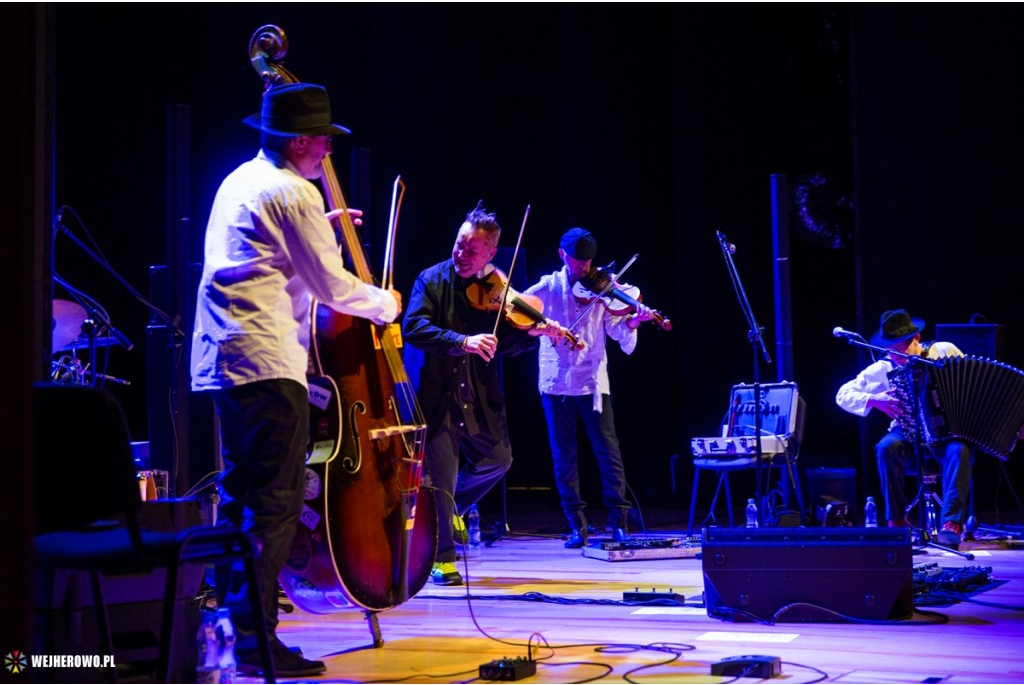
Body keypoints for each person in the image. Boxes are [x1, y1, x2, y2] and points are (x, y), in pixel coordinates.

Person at [191, 82, 402, 677]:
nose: (327, 154)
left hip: (226, 363)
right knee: (275, 506)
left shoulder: (241, 179)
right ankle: (258, 642)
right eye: (325, 143)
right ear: (305, 141)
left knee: (239, 501)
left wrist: (323, 223)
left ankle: (229, 629)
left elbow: (271, 254)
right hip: (268, 364)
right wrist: (385, 303)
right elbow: (334, 289)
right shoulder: (295, 192)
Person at [402, 204, 569, 585]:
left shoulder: (497, 291)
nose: (461, 253)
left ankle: (450, 513)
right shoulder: (430, 280)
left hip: (476, 395)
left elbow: (505, 343)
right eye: (459, 244)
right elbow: (413, 327)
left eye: (471, 250)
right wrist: (462, 340)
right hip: (436, 395)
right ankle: (441, 561)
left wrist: (534, 334)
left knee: (499, 459)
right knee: (441, 477)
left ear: (490, 254)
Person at [524, 228, 657, 548]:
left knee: (608, 451)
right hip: (556, 382)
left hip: (593, 381)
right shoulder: (547, 287)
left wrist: (634, 321)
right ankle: (577, 524)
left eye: (588, 262)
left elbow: (616, 331)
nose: (584, 267)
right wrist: (542, 328)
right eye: (577, 260)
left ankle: (619, 521)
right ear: (562, 255)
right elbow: (520, 317)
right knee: (563, 456)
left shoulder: (603, 287)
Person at [835, 308, 972, 548]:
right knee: (886, 446)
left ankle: (951, 524)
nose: (896, 352)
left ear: (916, 338)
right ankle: (896, 522)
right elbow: (843, 394)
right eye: (891, 346)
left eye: (901, 345)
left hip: (947, 435)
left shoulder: (943, 351)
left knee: (958, 450)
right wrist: (874, 400)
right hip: (908, 436)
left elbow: (974, 381)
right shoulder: (883, 368)